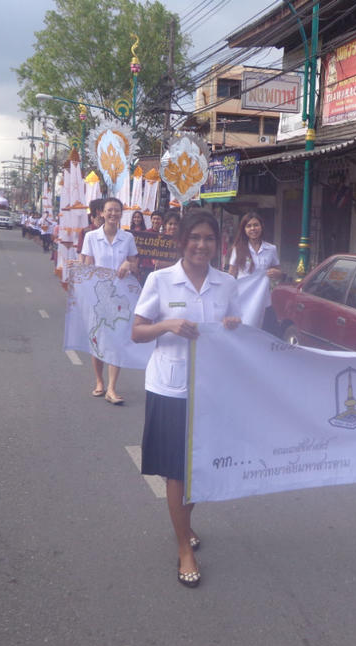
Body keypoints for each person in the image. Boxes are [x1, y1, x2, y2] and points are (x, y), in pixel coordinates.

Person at [131, 209, 241, 589]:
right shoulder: (160, 281)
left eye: (208, 238)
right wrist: (167, 325)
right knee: (178, 470)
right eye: (194, 237)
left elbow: (237, 333)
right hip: (170, 388)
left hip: (211, 390)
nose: (201, 245)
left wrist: (232, 328)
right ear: (183, 241)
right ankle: (183, 547)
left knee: (199, 469)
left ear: (217, 244)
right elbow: (137, 332)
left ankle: (185, 523)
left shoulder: (227, 284)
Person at [80, 197, 139, 404]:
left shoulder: (128, 238)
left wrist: (127, 265)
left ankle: (112, 388)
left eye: (117, 210)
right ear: (101, 214)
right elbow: (87, 266)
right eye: (109, 211)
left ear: (122, 214)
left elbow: (135, 265)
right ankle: (99, 381)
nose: (113, 214)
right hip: (97, 295)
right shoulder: (91, 237)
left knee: (117, 340)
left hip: (121, 298)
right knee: (98, 339)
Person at [227, 211, 282, 328]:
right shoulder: (238, 248)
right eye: (249, 226)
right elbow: (231, 274)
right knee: (241, 326)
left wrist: (276, 273)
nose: (253, 228)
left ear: (261, 226)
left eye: (256, 225)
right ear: (244, 230)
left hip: (260, 297)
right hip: (241, 295)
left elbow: (278, 272)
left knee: (256, 325)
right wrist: (226, 295)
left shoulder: (271, 249)